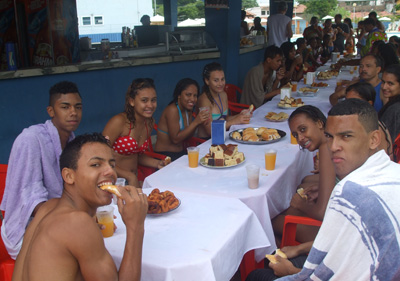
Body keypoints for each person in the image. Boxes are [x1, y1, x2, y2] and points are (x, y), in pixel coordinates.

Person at [257, 99, 400, 280]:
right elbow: (346, 242)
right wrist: (299, 248)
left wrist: (291, 272)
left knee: (260, 268)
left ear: (374, 140)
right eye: (330, 136)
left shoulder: (351, 191)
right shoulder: (393, 172)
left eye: (346, 136)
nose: (333, 147)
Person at [12, 133, 148, 281]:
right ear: (69, 176)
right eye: (96, 164)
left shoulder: (49, 207)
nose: (110, 172)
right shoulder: (78, 223)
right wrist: (136, 226)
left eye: (112, 164)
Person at [0, 81, 82, 259]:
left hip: (60, 216)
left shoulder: (71, 142)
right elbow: (31, 201)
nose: (73, 112)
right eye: (65, 107)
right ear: (51, 111)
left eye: (78, 107)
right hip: (27, 227)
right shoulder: (31, 139)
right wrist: (75, 217)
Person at [272, 106, 336, 243]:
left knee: (271, 224)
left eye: (303, 129)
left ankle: (295, 259)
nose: (300, 138)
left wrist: (301, 205)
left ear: (319, 123)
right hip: (338, 215)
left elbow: (321, 212)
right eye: (295, 135)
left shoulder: (326, 148)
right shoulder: (331, 141)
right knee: (287, 212)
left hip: (334, 231)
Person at [102, 78, 168, 187]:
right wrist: (129, 176)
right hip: (115, 182)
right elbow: (100, 157)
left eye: (153, 100)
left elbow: (137, 156)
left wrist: (158, 163)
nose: (150, 105)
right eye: (144, 100)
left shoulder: (149, 123)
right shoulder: (119, 122)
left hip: (135, 180)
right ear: (132, 101)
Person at [154, 78, 209, 160]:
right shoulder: (172, 110)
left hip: (180, 153)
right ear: (179, 95)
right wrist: (195, 122)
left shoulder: (188, 110)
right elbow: (175, 139)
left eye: (195, 95)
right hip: (165, 156)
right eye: (188, 95)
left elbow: (188, 136)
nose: (192, 99)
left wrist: (198, 123)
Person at [196, 62, 251, 138]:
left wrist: (241, 116)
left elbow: (226, 119)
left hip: (222, 136)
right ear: (207, 81)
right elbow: (210, 131)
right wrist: (235, 121)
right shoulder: (204, 100)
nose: (220, 83)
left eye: (222, 79)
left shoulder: (223, 94)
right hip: (207, 141)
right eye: (216, 80)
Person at [344, 82, 393, 159]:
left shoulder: (374, 127)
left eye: (354, 102)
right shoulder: (356, 123)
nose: (348, 106)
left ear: (369, 103)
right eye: (346, 101)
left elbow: (381, 160)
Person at [379, 64, 400, 143]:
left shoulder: (396, 109)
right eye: (383, 82)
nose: (384, 87)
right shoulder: (392, 103)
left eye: (390, 84)